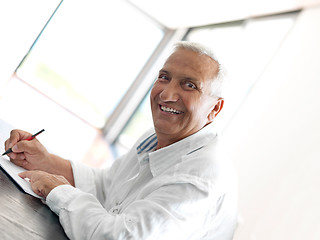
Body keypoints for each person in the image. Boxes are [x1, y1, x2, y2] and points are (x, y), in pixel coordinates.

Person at [4, 41, 238, 239]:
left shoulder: (199, 180)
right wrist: (45, 161)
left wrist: (58, 191)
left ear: (214, 109)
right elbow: (107, 187)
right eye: (164, 77)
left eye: (189, 85)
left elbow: (121, 236)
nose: (166, 94)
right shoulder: (158, 136)